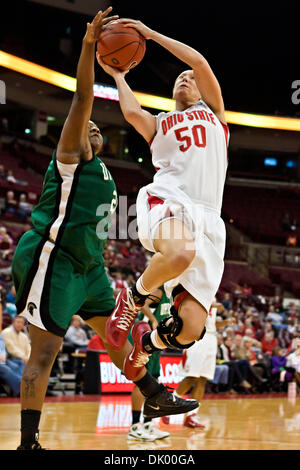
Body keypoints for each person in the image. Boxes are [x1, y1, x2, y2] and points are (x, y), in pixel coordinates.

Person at [12, 9, 197, 451]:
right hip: (52, 258)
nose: (92, 126)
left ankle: (154, 397)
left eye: (97, 128)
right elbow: (81, 101)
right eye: (88, 125)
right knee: (44, 352)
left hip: (89, 267)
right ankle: (27, 443)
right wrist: (90, 47)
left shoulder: (104, 171)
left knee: (120, 336)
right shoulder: (71, 152)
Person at [98, 18, 229, 383]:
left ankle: (147, 343)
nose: (186, 77)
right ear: (171, 93)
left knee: (189, 331)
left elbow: (200, 63)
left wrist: (152, 35)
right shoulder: (161, 123)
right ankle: (132, 299)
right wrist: (119, 76)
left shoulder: (216, 116)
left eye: (190, 78)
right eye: (179, 77)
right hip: (168, 199)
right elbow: (130, 113)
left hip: (210, 220)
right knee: (179, 253)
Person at [170, 301, 235, 428]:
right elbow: (192, 309)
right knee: (191, 377)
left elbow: (211, 324)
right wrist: (213, 305)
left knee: (202, 380)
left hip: (211, 339)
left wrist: (226, 323)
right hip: (196, 338)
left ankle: (191, 415)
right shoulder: (196, 290)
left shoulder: (213, 296)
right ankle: (168, 405)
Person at [128, 287, 170, 441]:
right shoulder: (160, 292)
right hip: (143, 339)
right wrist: (152, 319)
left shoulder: (173, 297)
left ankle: (147, 424)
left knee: (154, 384)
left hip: (155, 344)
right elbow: (141, 303)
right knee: (142, 384)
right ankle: (134, 426)